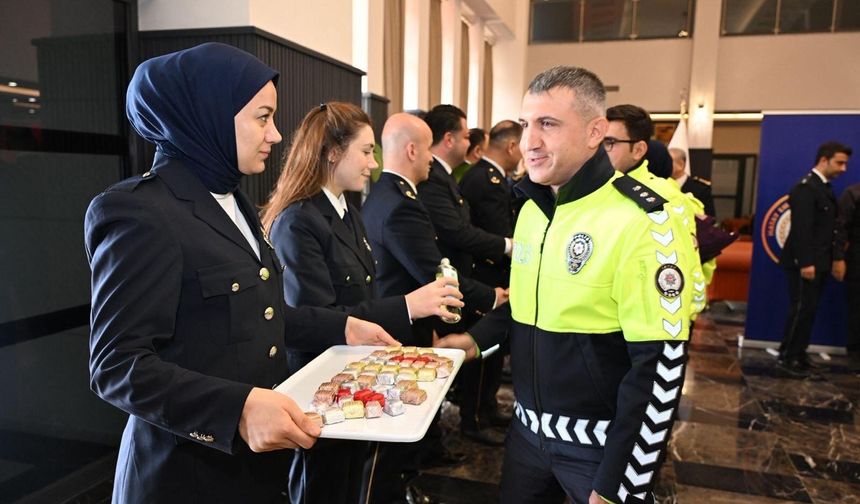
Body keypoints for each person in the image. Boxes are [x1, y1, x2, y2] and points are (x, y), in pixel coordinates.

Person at [84, 43, 397, 503]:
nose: (275, 135)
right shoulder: (140, 211)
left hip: (255, 471)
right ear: (207, 114)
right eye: (262, 117)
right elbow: (116, 365)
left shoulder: (234, 200)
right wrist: (238, 410)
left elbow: (255, 313)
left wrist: (344, 326)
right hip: (185, 476)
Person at [436, 66, 695, 504]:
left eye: (548, 124)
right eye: (525, 124)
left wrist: (619, 484)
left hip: (599, 450)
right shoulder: (533, 210)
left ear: (596, 131)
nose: (528, 142)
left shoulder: (644, 222)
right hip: (526, 438)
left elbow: (660, 367)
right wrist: (470, 343)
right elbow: (526, 308)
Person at [260, 101, 464, 504]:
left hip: (353, 373)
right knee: (324, 488)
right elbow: (316, 319)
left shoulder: (347, 212)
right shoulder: (298, 221)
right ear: (333, 151)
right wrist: (407, 305)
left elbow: (362, 295)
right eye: (367, 151)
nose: (374, 163)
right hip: (320, 387)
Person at [362, 112, 505, 503]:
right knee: (407, 413)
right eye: (426, 149)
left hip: (397, 316)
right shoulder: (401, 203)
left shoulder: (383, 195)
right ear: (412, 149)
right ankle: (403, 485)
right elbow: (433, 270)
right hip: (406, 324)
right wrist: (491, 297)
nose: (431, 157)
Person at [457, 119, 525, 445]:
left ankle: (488, 407)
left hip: (495, 275)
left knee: (494, 351)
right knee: (481, 353)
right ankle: (473, 418)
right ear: (512, 146)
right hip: (485, 276)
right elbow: (498, 233)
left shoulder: (493, 178)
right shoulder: (484, 178)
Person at [778, 141, 851, 373]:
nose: (843, 169)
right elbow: (801, 229)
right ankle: (788, 356)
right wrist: (806, 262)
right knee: (801, 309)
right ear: (823, 160)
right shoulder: (805, 189)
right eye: (839, 163)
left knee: (810, 310)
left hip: (819, 261)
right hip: (804, 262)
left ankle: (799, 352)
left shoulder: (824, 188)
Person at [836, 177, 859, 372]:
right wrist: (839, 258)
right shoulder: (853, 194)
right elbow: (841, 228)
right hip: (857, 258)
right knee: (857, 307)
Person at [669, 147, 716, 217]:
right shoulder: (660, 185)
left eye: (668, 162)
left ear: (680, 164)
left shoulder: (701, 189)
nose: (664, 165)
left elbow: (708, 218)